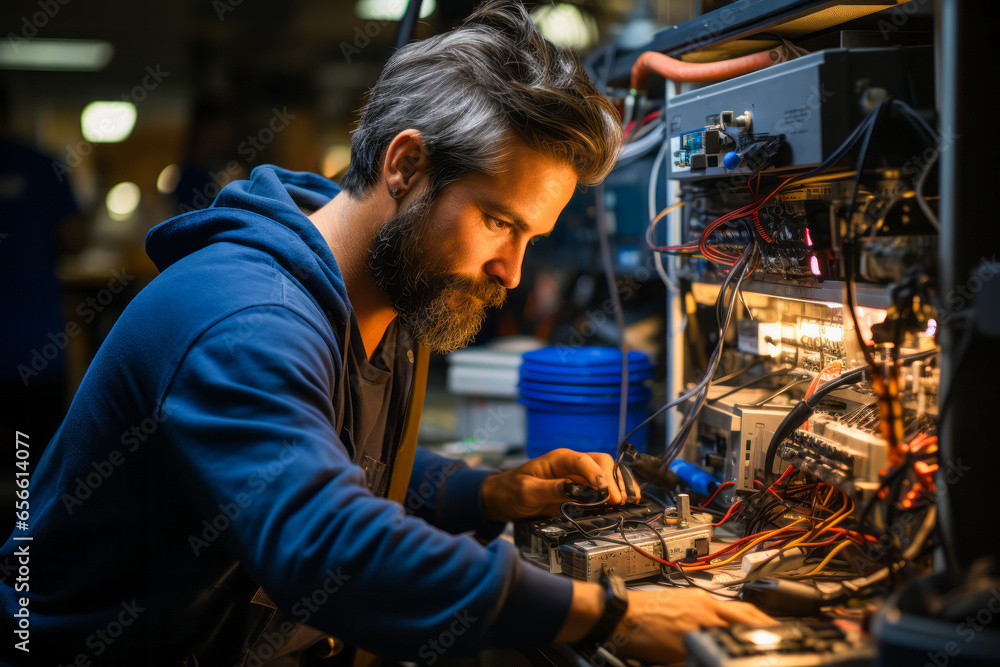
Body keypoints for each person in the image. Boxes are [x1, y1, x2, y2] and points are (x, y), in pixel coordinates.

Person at [0, 3, 771, 665]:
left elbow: (335, 453)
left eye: (530, 236)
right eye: (499, 221)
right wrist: (612, 615)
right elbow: (326, 542)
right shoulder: (246, 319)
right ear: (406, 163)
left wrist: (486, 492)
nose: (511, 270)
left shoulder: (381, 293)